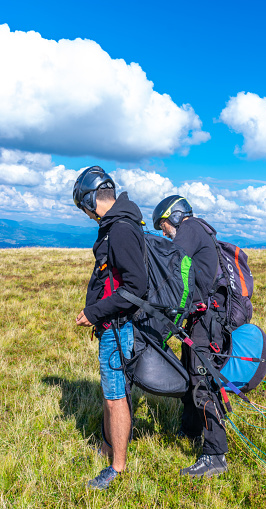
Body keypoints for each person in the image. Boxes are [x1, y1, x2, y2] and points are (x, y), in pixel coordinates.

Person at [73, 166, 147, 490]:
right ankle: (106, 447)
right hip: (111, 325)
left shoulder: (120, 230)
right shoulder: (115, 225)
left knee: (116, 398)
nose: (86, 215)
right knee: (110, 393)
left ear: (90, 201)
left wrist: (95, 312)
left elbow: (135, 287)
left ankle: (117, 468)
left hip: (119, 328)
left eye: (83, 208)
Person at [152, 195, 228, 478]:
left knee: (203, 384)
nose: (164, 232)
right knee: (190, 377)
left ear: (175, 215)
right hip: (199, 320)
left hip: (207, 323)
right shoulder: (197, 229)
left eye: (163, 225)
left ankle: (215, 456)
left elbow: (170, 261)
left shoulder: (190, 228)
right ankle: (191, 430)